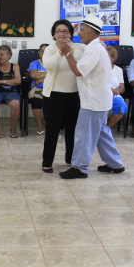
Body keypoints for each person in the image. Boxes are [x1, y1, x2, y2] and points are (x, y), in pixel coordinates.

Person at [58, 15, 124, 179]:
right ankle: (115, 164)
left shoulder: (95, 49)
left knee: (84, 134)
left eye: (82, 30)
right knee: (102, 133)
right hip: (98, 100)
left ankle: (79, 168)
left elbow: (79, 71)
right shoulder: (94, 48)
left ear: (92, 33)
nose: (79, 33)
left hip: (93, 101)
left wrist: (67, 54)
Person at [41, 19, 85, 173]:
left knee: (72, 130)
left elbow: (85, 64)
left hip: (74, 95)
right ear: (54, 34)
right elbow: (49, 65)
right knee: (52, 130)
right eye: (58, 31)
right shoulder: (50, 49)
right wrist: (62, 52)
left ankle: (70, 158)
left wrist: (101, 45)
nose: (61, 34)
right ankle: (47, 162)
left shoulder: (79, 48)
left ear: (71, 34)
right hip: (54, 95)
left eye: (65, 31)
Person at [0, 44, 22, 138]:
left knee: (15, 104)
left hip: (11, 91)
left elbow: (18, 81)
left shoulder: (15, 66)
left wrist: (1, 81)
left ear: (9, 56)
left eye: (1, 54)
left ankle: (13, 128)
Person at [28, 43, 48, 136]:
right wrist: (50, 73)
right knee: (36, 101)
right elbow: (33, 75)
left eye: (46, 51)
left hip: (52, 89)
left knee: (56, 102)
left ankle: (53, 127)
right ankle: (40, 126)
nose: (43, 53)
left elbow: (58, 76)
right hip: (38, 90)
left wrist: (41, 79)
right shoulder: (34, 63)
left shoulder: (55, 64)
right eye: (41, 51)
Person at [106, 46, 127, 129]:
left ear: (113, 58)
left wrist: (116, 91)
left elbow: (122, 88)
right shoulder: (98, 68)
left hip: (114, 96)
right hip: (102, 95)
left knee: (122, 106)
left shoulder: (118, 70)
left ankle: (106, 128)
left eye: (108, 56)